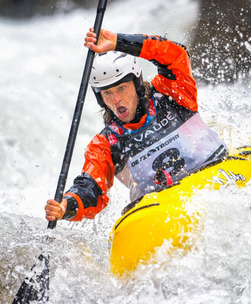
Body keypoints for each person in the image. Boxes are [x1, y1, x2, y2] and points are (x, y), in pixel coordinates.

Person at [45, 27, 228, 222]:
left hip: (216, 176)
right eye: (107, 93)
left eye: (122, 88)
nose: (116, 100)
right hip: (162, 210)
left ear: (137, 83)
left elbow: (174, 55)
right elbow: (90, 187)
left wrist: (118, 42)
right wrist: (67, 206)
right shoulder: (106, 143)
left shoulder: (171, 94)